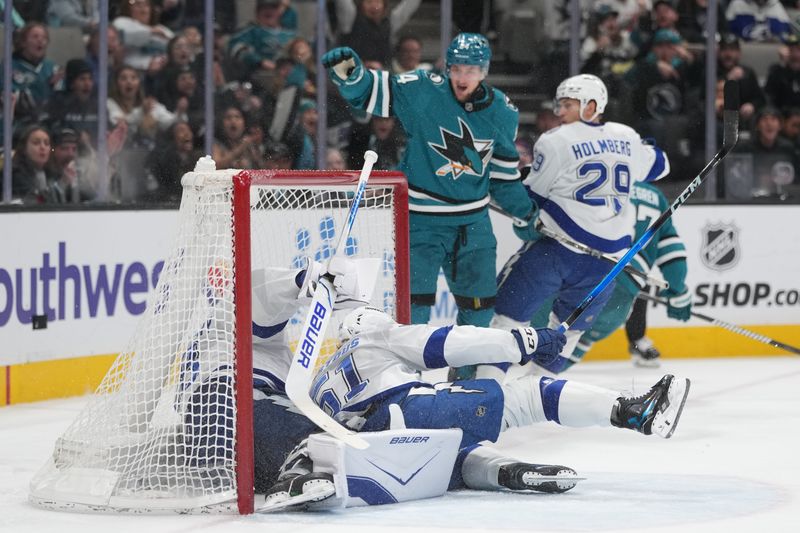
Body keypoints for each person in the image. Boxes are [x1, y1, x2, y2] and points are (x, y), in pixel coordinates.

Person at [267, 305, 690, 509]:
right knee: (527, 396)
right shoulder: (375, 335)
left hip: (375, 451)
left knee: (455, 454)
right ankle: (635, 412)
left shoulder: (319, 377)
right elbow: (448, 345)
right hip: (408, 413)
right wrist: (524, 341)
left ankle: (504, 472)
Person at [321, 34, 536, 342]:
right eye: (458, 68)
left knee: (479, 310)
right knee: (413, 312)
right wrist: (353, 76)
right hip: (421, 221)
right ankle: (408, 382)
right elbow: (374, 92)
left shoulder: (503, 111)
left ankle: (465, 383)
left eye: (472, 70)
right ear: (447, 67)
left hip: (473, 224)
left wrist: (526, 212)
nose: (463, 77)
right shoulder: (423, 88)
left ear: (484, 71)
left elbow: (502, 176)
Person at [491, 74, 670, 365]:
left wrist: (513, 195)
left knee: (506, 320)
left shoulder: (555, 140)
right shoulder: (626, 136)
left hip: (557, 252)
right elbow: (661, 164)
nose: (559, 112)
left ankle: (486, 389)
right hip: (606, 264)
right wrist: (643, 147)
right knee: (565, 335)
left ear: (591, 106)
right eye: (560, 104)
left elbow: (533, 196)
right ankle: (540, 395)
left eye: (568, 104)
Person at [529, 181, 691, 371]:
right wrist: (679, 292)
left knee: (531, 333)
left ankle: (508, 383)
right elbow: (672, 253)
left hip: (586, 271)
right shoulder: (655, 197)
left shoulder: (607, 177)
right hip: (621, 298)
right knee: (572, 347)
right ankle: (537, 384)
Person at [334, 0, 422, 67]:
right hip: (353, 75)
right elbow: (343, 4)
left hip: (381, 76)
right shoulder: (350, 20)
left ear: (384, 6)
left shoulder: (389, 24)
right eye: (369, 2)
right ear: (361, 5)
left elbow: (407, 8)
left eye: (378, 2)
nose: (374, 6)